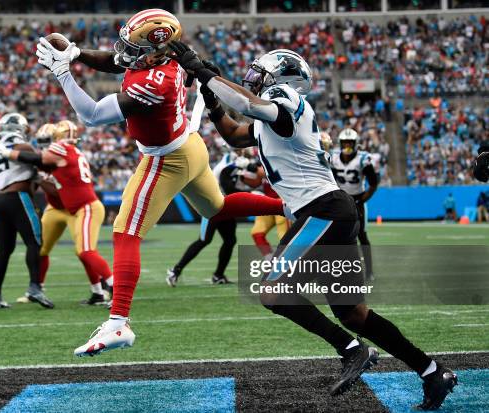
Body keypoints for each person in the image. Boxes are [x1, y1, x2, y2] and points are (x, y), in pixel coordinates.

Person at [168, 42, 457, 409]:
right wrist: (209, 93)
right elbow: (233, 132)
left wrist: (206, 72)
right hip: (331, 212)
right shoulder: (270, 117)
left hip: (322, 210)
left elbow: (247, 104)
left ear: (282, 77)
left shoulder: (281, 95)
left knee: (271, 290)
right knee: (355, 314)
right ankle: (432, 371)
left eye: (262, 71)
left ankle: (351, 350)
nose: (255, 76)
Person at [34, 9, 285, 357]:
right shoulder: (167, 59)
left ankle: (118, 322)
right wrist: (77, 53)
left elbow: (91, 115)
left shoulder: (156, 82)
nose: (126, 51)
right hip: (189, 146)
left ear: (158, 49)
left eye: (136, 47)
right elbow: (117, 61)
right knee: (219, 208)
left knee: (125, 232)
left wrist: (63, 72)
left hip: (165, 159)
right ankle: (293, 207)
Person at [0, 120, 114, 306]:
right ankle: (36, 288)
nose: (42, 147)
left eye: (46, 141)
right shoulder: (63, 152)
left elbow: (49, 177)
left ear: (57, 139)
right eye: (40, 142)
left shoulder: (61, 150)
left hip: (78, 208)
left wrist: (11, 154)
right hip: (57, 208)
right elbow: (38, 167)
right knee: (41, 248)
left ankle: (103, 289)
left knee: (84, 251)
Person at [167, 151, 262, 286]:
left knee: (230, 241)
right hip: (212, 206)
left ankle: (218, 275)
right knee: (204, 240)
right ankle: (175, 270)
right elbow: (227, 184)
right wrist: (249, 191)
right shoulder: (228, 163)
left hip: (226, 206)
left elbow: (244, 175)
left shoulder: (236, 164)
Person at [0, 113, 53, 310]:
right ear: (20, 129)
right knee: (34, 242)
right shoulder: (21, 147)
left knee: (4, 250)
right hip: (18, 198)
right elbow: (44, 161)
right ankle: (35, 286)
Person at [331, 128, 379, 280]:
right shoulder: (333, 157)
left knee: (362, 236)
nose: (347, 146)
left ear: (355, 144)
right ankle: (337, 269)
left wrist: (362, 200)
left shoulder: (363, 158)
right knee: (335, 236)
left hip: (357, 199)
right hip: (340, 200)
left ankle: (369, 271)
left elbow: (373, 183)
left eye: (350, 143)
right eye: (344, 143)